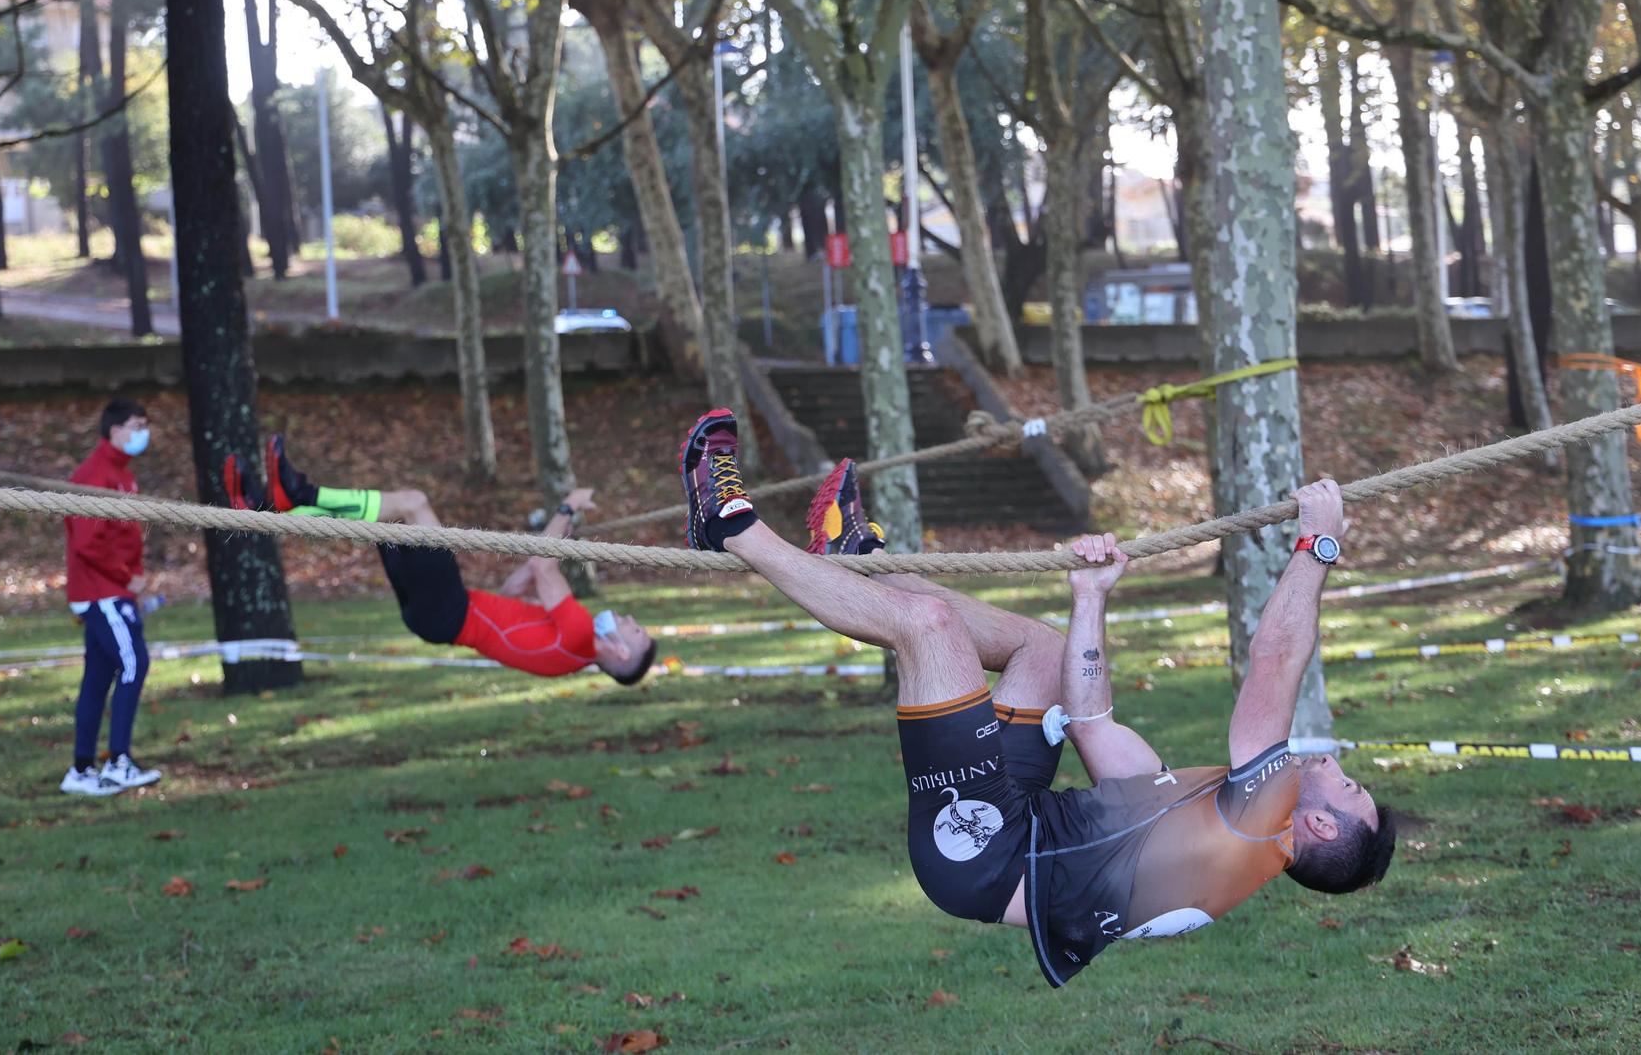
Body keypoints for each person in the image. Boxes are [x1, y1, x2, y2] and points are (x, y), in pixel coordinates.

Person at [678, 408, 1393, 987]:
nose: (1335, 765)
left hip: (982, 852)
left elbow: (1274, 662)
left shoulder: (1264, 827)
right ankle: (861, 560)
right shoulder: (1216, 828)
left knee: (930, 630)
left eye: (1348, 785)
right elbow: (1093, 723)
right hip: (1024, 816)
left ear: (1321, 829)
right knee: (1045, 652)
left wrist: (1318, 546)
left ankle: (731, 524)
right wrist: (1091, 598)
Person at [223, 436, 657, 684]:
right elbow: (513, 589)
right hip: (437, 618)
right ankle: (264, 510)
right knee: (386, 520)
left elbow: (544, 566)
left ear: (617, 651)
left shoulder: (580, 635)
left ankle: (300, 494)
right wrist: (558, 540)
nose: (629, 617)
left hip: (450, 611)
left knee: (414, 503)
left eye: (633, 630)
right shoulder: (568, 653)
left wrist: (567, 508)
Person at [60, 398, 163, 796]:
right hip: (103, 592)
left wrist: (133, 575)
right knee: (135, 662)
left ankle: (81, 770)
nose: (143, 433)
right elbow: (88, 543)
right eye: (137, 425)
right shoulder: (95, 475)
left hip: (113, 589)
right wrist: (125, 579)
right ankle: (118, 760)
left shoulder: (123, 476)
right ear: (115, 429)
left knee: (98, 679)